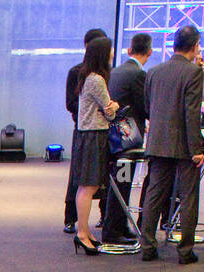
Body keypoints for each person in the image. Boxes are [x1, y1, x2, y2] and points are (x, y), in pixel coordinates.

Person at [140, 24, 204, 264]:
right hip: (183, 145)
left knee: (154, 194)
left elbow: (148, 107)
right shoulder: (193, 73)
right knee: (188, 195)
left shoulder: (154, 72)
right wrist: (196, 150)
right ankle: (185, 251)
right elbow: (192, 113)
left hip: (157, 141)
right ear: (195, 46)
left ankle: (147, 245)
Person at [103, 32, 153, 244]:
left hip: (115, 136)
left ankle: (118, 226)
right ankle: (114, 230)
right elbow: (144, 106)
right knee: (123, 182)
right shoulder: (138, 74)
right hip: (128, 139)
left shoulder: (116, 71)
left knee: (119, 181)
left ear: (130, 49)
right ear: (150, 52)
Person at [71, 36, 119, 255]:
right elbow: (109, 109)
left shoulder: (87, 76)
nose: (112, 54)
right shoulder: (96, 79)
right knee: (88, 186)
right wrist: (115, 105)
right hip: (94, 136)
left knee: (87, 186)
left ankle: (84, 231)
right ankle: (82, 233)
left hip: (88, 135)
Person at [65, 28, 109, 234]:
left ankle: (98, 219)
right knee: (83, 180)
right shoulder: (83, 74)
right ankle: (74, 222)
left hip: (90, 131)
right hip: (89, 132)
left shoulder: (97, 74)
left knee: (92, 181)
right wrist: (106, 109)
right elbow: (72, 103)